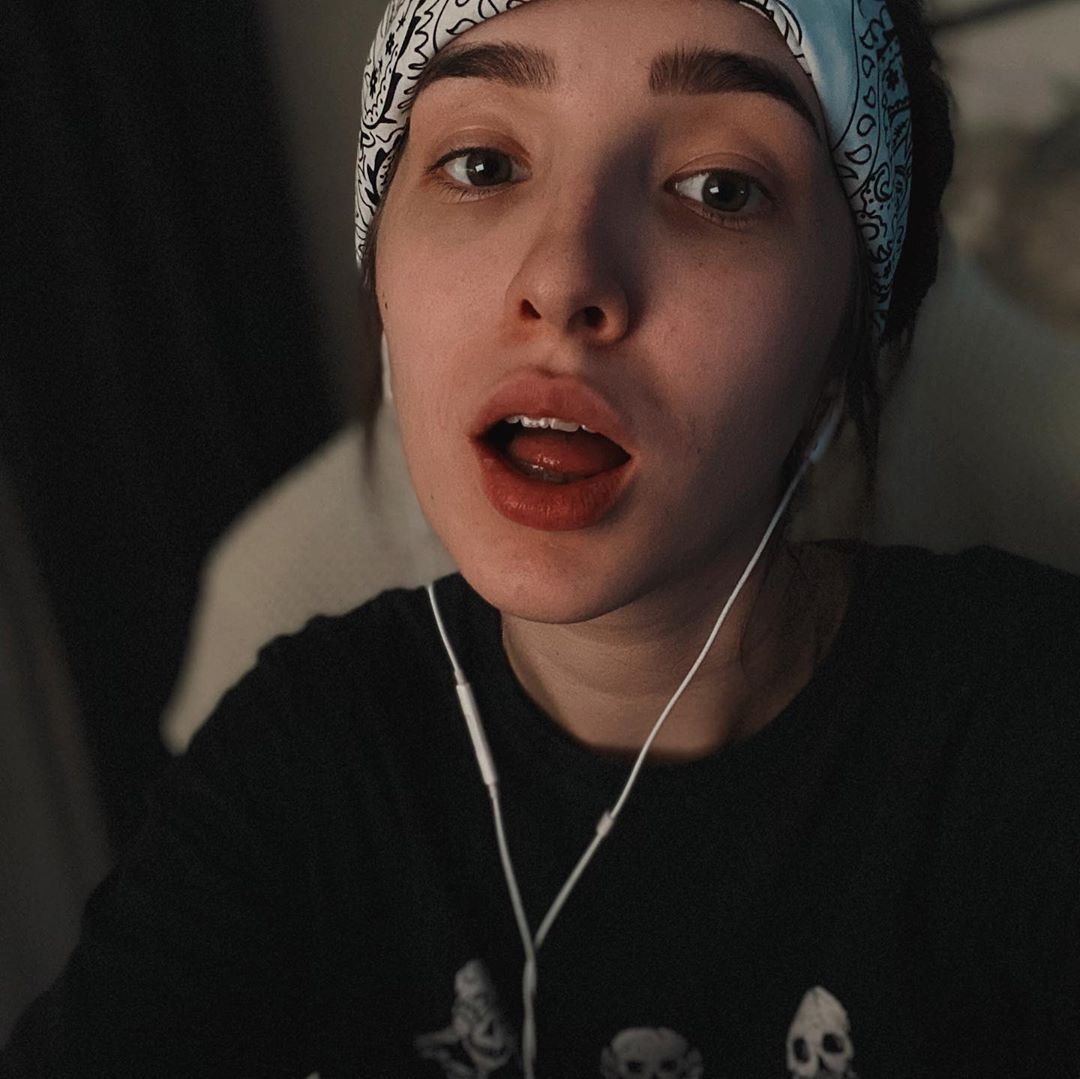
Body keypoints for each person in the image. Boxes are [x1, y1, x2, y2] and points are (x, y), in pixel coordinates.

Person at [3, 0, 1078, 1075]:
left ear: (842, 352)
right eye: (481, 165)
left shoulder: (1030, 729)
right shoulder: (300, 767)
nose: (563, 279)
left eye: (718, 188)